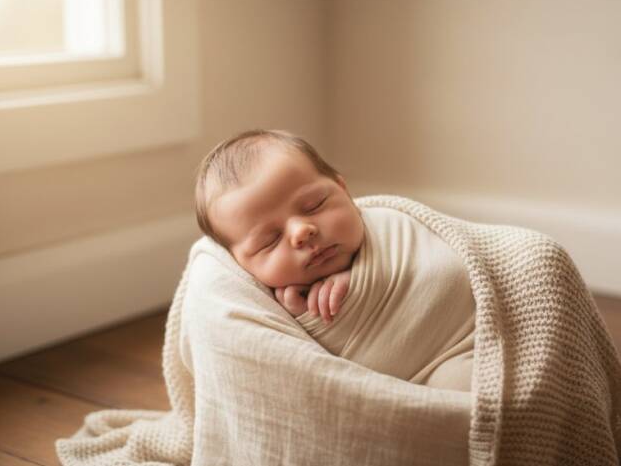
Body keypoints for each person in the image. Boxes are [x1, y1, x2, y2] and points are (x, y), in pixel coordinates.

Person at [193, 129, 475, 391]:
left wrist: (361, 280)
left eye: (314, 205)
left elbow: (447, 270)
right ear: (238, 263)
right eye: (270, 240)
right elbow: (324, 375)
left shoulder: (393, 229)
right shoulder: (260, 307)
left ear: (343, 189)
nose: (301, 231)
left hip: (470, 333)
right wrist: (314, 322)